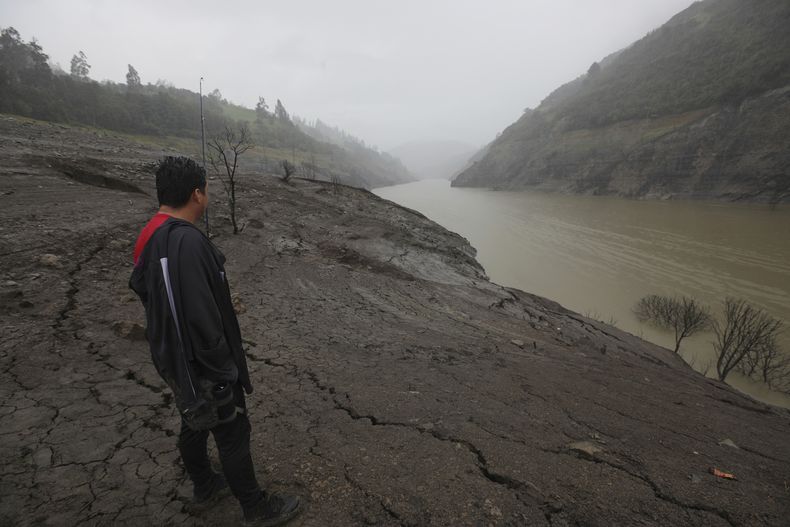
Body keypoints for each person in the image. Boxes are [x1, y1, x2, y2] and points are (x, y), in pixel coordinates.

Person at [128, 156, 301, 525]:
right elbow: (199, 314)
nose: (209, 196)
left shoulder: (151, 234)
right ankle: (256, 509)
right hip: (201, 363)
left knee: (193, 417)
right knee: (232, 430)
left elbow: (142, 289)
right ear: (197, 193)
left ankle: (205, 485)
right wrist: (222, 369)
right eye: (207, 189)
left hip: (173, 358)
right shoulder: (186, 243)